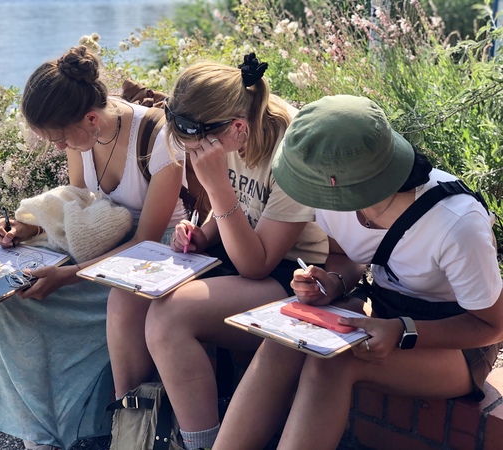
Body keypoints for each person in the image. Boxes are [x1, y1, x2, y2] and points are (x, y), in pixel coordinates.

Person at [213, 94, 503, 450]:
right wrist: (332, 283)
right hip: (384, 315)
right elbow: (345, 258)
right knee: (284, 343)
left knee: (333, 363)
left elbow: (491, 326)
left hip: (456, 342)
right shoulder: (333, 201)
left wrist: (402, 331)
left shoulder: (457, 225)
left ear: (339, 184)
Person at [0, 45, 186, 450]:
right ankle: (21, 437)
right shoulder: (84, 138)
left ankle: (32, 436)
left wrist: (66, 276)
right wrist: (27, 229)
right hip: (101, 253)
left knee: (20, 307)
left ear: (90, 119)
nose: (58, 147)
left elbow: (146, 242)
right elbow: (79, 206)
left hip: (148, 264)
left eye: (59, 138)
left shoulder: (157, 138)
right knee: (2, 304)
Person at [106, 54, 329, 450]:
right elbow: (240, 211)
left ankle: (199, 443)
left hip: (295, 273)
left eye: (199, 150)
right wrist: (202, 235)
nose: (196, 158)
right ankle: (131, 436)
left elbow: (257, 263)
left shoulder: (292, 151)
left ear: (238, 128)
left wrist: (217, 189)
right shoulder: (225, 127)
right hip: (241, 251)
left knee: (170, 317)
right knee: (126, 297)